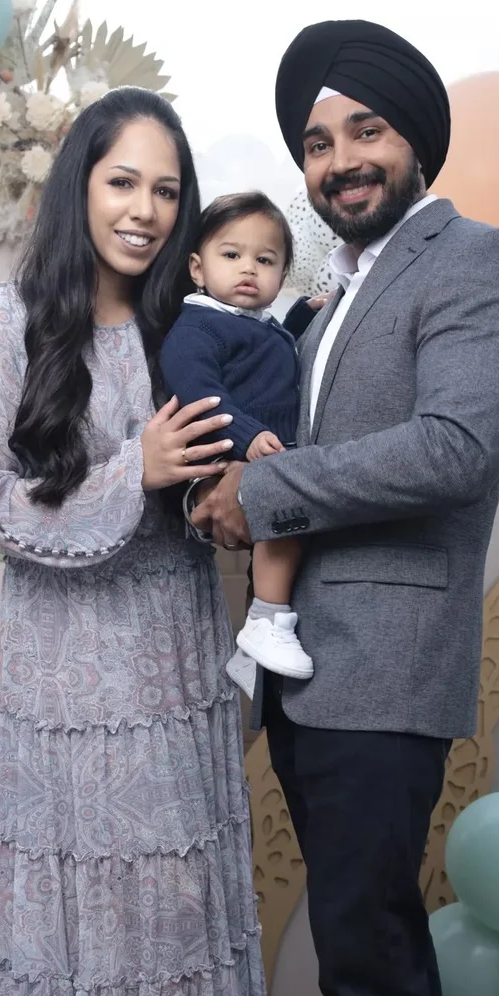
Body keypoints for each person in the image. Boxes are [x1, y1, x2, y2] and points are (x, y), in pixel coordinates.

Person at [192, 20, 499, 996]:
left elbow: (456, 450)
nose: (339, 159)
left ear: (415, 139)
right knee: (360, 965)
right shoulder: (324, 297)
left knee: (375, 972)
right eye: (316, 141)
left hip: (384, 672)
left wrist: (268, 490)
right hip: (310, 670)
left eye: (364, 129)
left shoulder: (483, 261)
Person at [0, 87, 286, 996]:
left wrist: (232, 489)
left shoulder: (187, 327)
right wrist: (129, 471)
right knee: (87, 928)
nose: (144, 209)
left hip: (175, 657)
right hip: (67, 681)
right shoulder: (4, 321)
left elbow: (230, 480)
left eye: (165, 189)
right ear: (78, 188)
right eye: (122, 182)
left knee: (178, 917)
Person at [161, 192, 315, 680]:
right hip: (225, 455)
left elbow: (272, 356)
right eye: (231, 255)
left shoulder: (255, 326)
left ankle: (252, 654)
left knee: (291, 538)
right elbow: (200, 393)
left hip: (261, 452)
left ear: (281, 277)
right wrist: (246, 436)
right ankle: (267, 621)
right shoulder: (197, 328)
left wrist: (302, 318)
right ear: (198, 268)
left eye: (265, 260)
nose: (248, 268)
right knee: (284, 526)